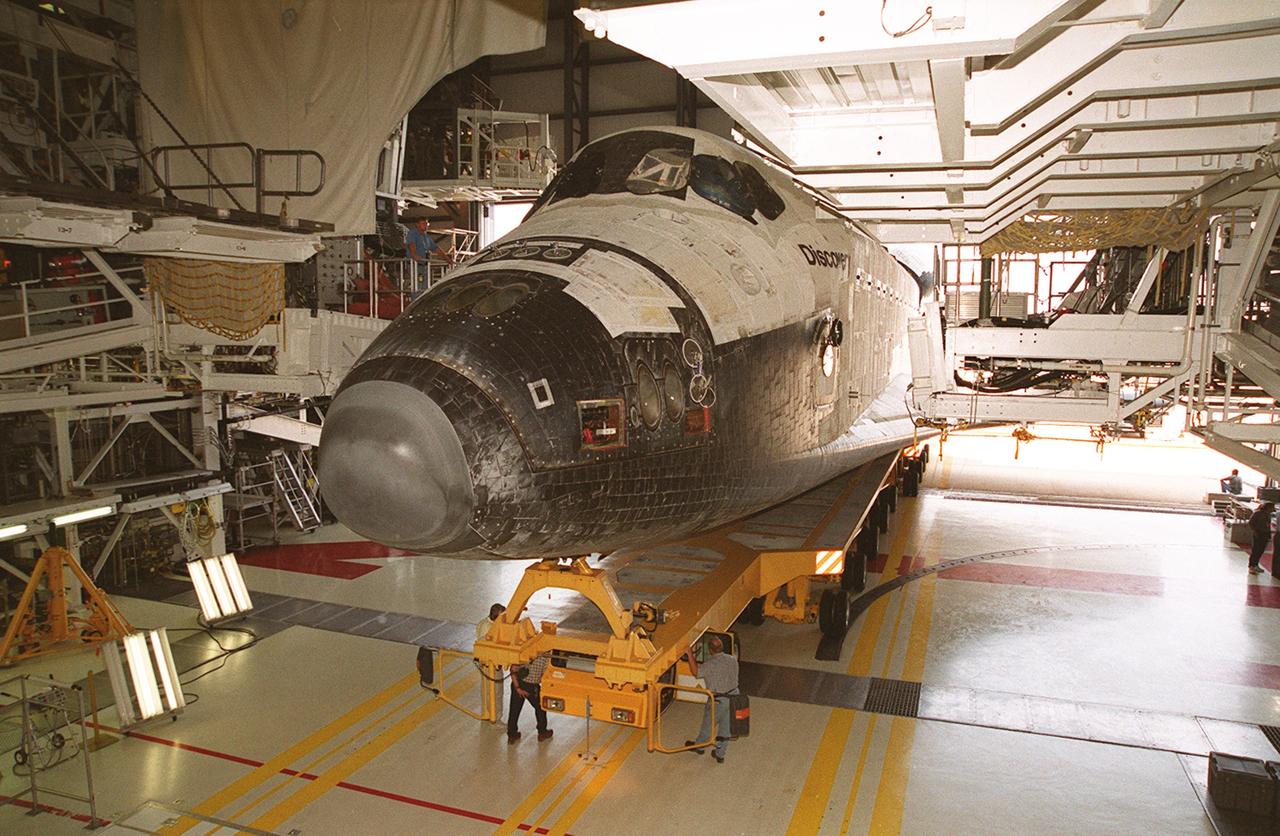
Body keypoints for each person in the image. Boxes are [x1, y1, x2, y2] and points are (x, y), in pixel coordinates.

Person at [684, 635, 739, 763]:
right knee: (726, 728)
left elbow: (696, 672)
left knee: (708, 726)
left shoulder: (710, 665)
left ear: (710, 650)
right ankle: (720, 754)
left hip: (718, 700)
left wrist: (689, 654)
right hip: (734, 696)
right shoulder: (732, 660)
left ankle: (699, 746)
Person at [507, 651, 553, 744]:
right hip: (533, 687)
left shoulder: (526, 650)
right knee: (540, 708)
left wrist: (518, 688)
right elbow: (546, 674)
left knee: (514, 710)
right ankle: (542, 732)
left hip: (518, 684)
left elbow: (513, 670)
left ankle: (512, 735)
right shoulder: (547, 657)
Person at [476, 603, 506, 723]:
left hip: (491, 664)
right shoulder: (488, 628)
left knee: (489, 692)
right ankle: (495, 718)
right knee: (495, 692)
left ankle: (488, 714)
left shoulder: (485, 623)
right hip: (491, 665)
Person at [404, 218, 439, 285]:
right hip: (414, 264)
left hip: (424, 265)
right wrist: (414, 255)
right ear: (417, 225)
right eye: (423, 224)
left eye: (426, 224)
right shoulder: (412, 233)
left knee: (424, 284)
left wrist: (447, 259)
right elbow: (411, 244)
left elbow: (436, 248)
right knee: (418, 284)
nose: (425, 226)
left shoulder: (427, 237)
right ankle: (416, 295)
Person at [1247, 501, 1273, 575]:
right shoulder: (1258, 513)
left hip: (1265, 534)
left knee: (1261, 550)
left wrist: (1269, 534)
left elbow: (1268, 525)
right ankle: (1251, 566)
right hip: (1258, 533)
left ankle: (1256, 564)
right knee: (1256, 550)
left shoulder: (1268, 514)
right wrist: (1255, 531)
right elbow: (1251, 523)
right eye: (1272, 507)